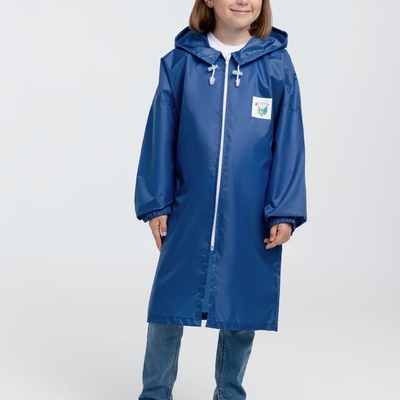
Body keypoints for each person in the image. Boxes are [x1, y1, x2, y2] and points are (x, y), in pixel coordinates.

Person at [134, 0, 307, 398]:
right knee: (168, 308)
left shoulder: (277, 66)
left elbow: (289, 141)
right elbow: (160, 134)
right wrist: (157, 203)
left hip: (250, 214)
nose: (243, 1)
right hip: (188, 209)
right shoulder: (180, 63)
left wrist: (284, 210)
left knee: (241, 309)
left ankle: (229, 392)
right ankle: (155, 392)